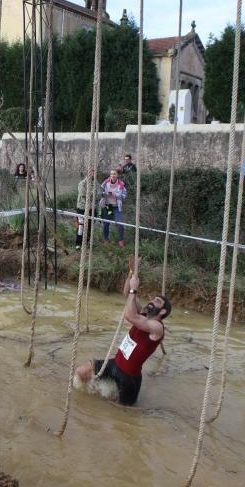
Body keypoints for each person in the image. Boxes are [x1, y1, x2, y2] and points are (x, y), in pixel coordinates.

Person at [75, 257, 171, 405]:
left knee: (124, 415)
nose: (152, 301)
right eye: (153, 299)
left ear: (163, 311)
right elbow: (127, 294)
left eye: (157, 301)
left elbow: (129, 316)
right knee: (81, 372)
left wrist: (134, 289)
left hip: (129, 378)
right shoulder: (144, 314)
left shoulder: (157, 327)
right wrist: (131, 273)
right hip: (115, 363)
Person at [99, 169, 127, 246]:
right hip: (107, 206)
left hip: (116, 207)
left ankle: (121, 240)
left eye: (114, 174)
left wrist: (117, 195)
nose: (113, 175)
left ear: (117, 175)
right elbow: (100, 191)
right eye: (111, 174)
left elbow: (124, 195)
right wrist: (104, 194)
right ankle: (106, 239)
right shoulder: (105, 183)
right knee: (106, 224)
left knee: (120, 223)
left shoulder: (121, 184)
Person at [75, 169, 101, 250]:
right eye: (90, 173)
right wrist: (93, 194)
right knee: (81, 226)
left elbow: (99, 195)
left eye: (93, 173)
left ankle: (86, 243)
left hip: (92, 208)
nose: (92, 175)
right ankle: (78, 244)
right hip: (82, 208)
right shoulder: (82, 183)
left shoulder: (97, 184)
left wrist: (92, 194)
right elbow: (83, 194)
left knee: (89, 226)